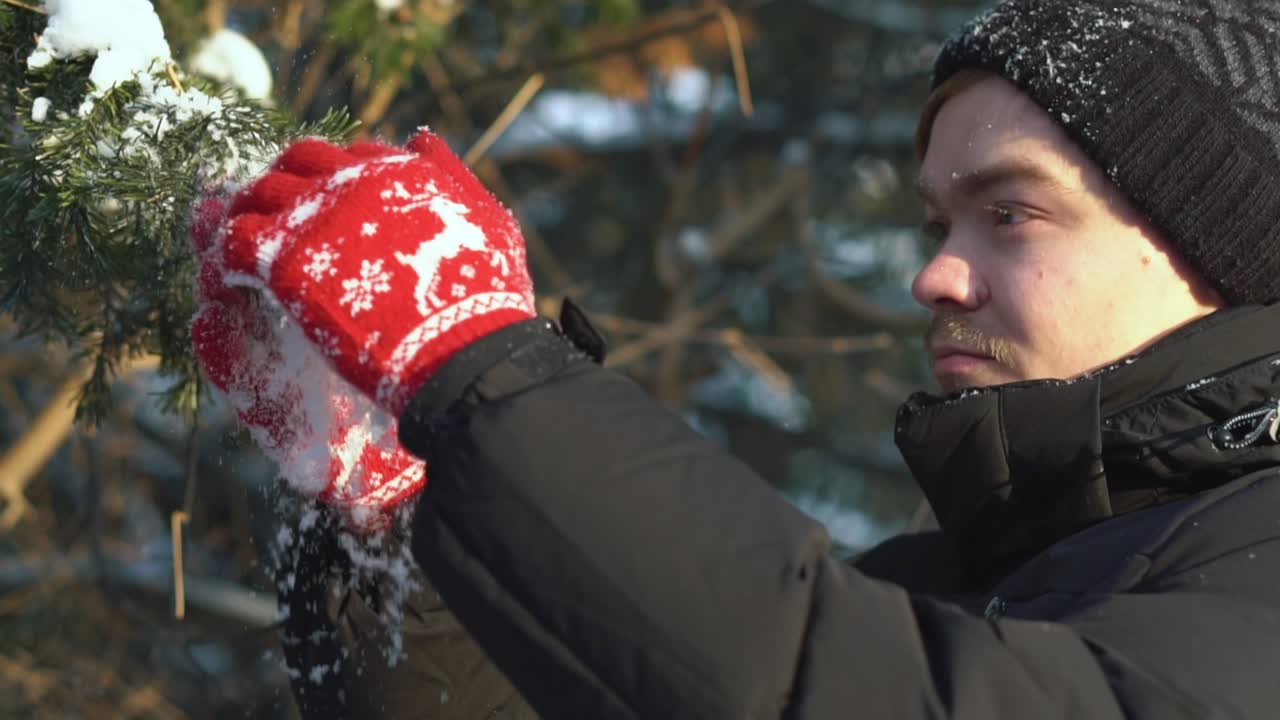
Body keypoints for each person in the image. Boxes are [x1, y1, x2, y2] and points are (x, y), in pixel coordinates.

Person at [193, 0, 1280, 717]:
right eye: (933, 226)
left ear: (1213, 251)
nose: (935, 277)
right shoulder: (959, 587)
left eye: (1010, 211)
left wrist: (491, 375)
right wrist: (404, 514)